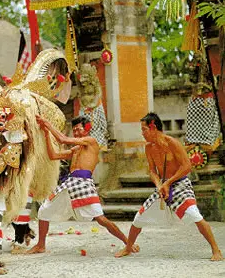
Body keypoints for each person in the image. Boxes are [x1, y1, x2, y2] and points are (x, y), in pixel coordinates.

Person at [115, 112, 223, 261]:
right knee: (138, 218)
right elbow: (152, 171)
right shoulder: (149, 148)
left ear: (153, 127)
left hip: (179, 183)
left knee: (194, 214)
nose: (142, 133)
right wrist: (160, 184)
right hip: (162, 185)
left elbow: (187, 166)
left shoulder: (173, 143)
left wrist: (167, 182)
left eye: (144, 129)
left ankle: (216, 250)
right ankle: (128, 247)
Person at [26, 115, 139, 255]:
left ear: (87, 129)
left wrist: (48, 124)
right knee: (44, 211)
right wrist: (46, 134)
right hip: (69, 184)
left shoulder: (90, 141)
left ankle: (128, 243)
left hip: (83, 184)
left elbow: (63, 139)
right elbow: (53, 156)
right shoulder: (76, 149)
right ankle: (41, 245)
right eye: (74, 130)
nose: (76, 132)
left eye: (78, 129)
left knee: (101, 218)